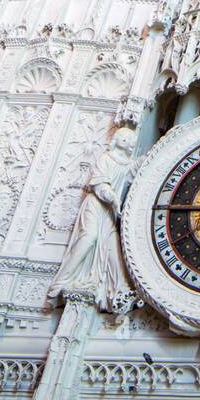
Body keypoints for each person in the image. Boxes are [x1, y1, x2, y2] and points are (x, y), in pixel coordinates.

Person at [48, 126, 138, 312]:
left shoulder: (127, 164)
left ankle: (118, 291)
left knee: (114, 250)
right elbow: (99, 184)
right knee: (89, 238)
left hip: (110, 214)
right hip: (96, 205)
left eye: (129, 137)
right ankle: (59, 285)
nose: (124, 137)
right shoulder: (106, 158)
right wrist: (113, 199)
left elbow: (142, 165)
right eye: (122, 135)